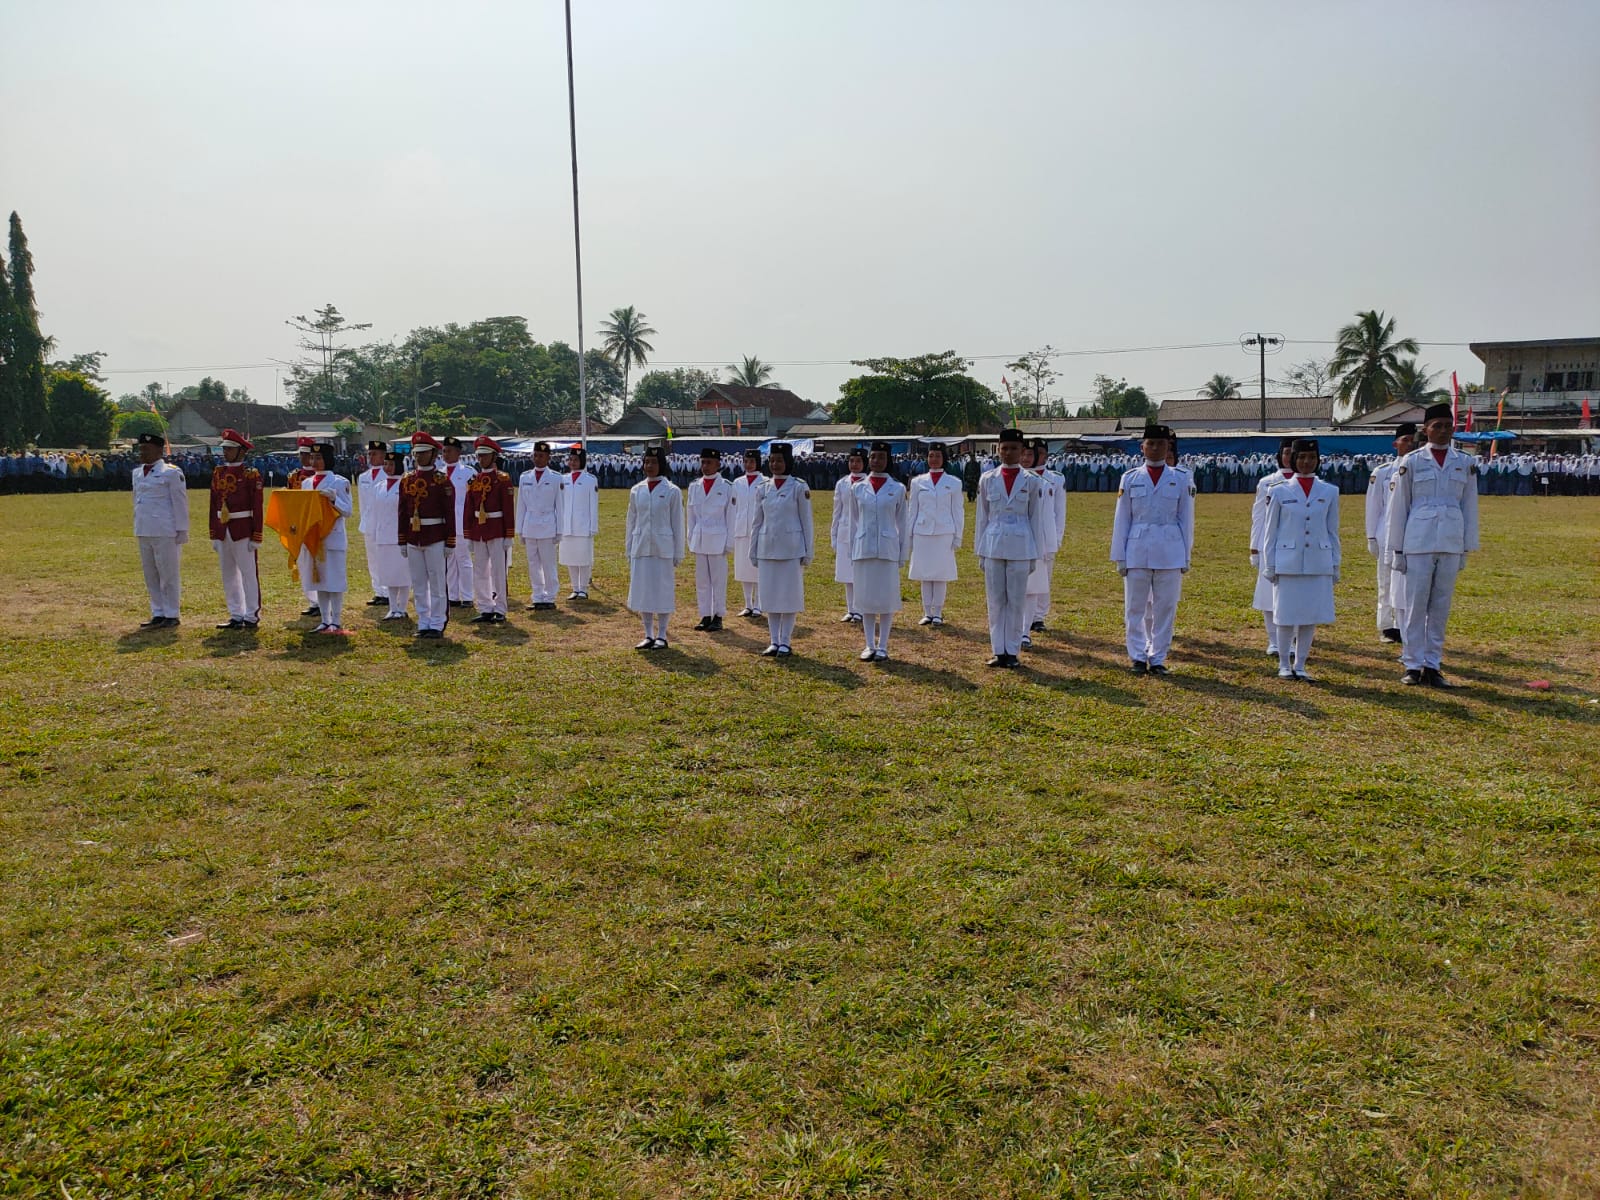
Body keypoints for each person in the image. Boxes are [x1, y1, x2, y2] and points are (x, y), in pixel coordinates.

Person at [1387, 403, 1480, 688]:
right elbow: (1398, 507)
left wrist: (1466, 547)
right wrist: (1397, 549)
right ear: (1425, 430)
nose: (1442, 431)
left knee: (1440, 606)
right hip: (1418, 541)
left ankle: (1433, 664)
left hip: (1450, 540)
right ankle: (1413, 664)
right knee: (1415, 606)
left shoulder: (1464, 462)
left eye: (1447, 426)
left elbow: (1470, 505)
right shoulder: (1412, 461)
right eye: (1436, 426)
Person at [1110, 424, 1194, 675]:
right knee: (1134, 607)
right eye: (1151, 443)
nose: (1156, 448)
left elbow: (1186, 519)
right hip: (1137, 548)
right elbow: (1122, 518)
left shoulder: (1181, 478)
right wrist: (1120, 556)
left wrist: (1186, 556)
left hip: (1170, 549)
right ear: (1142, 447)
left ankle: (1157, 657)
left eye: (1161, 444)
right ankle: (1137, 655)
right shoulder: (1130, 477)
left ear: (1169, 447)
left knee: (1164, 608)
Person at [1261, 439, 1341, 681]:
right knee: (1285, 615)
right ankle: (1284, 663)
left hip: (1318, 560)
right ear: (1293, 459)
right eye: (1302, 457)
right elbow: (1270, 532)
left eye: (1312, 458)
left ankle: (1302, 664)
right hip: (1288, 560)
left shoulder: (1329, 491)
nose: (1307, 462)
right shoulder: (1278, 490)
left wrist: (1335, 564)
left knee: (1310, 615)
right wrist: (1269, 564)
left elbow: (1332, 530)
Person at [974, 428, 1046, 668]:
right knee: (995, 601)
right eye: (1004, 448)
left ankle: (1012, 651)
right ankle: (998, 650)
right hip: (993, 544)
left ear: (1023, 451)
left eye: (1014, 448)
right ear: (998, 449)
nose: (1008, 453)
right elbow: (982, 517)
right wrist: (980, 551)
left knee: (1016, 600)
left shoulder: (1032, 481)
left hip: (1021, 546)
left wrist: (1036, 554)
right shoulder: (987, 479)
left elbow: (1036, 518)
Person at [844, 442, 910, 662]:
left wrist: (902, 554)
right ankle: (869, 644)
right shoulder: (858, 487)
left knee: (886, 598)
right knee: (865, 598)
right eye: (873, 457)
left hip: (887, 549)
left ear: (888, 459)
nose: (876, 461)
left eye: (881, 457)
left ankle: (883, 645)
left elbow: (903, 523)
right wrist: (853, 548)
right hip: (864, 548)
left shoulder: (898, 489)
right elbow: (854, 522)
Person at [748, 442, 814, 657]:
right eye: (772, 460)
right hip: (767, 548)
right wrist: (753, 549)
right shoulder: (763, 488)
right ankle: (774, 640)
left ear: (788, 462)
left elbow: (807, 522)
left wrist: (808, 551)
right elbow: (757, 522)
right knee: (770, 596)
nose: (775, 464)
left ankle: (786, 640)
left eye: (780, 460)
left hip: (791, 549)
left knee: (789, 596)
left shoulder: (798, 487)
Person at [625, 445, 686, 649]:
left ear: (662, 464)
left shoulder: (672, 491)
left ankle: (662, 634)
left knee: (662, 590)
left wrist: (678, 552)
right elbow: (631, 521)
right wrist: (629, 547)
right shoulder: (637, 490)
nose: (649, 466)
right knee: (644, 591)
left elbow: (677, 523)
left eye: (654, 462)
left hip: (663, 547)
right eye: (646, 462)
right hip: (641, 546)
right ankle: (648, 633)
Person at [398, 431, 457, 638]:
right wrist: (402, 539)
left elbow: (450, 512)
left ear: (433, 454)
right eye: (416, 453)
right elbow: (402, 512)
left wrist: (450, 540)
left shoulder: (442, 480)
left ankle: (438, 622)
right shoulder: (407, 480)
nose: (418, 457)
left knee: (438, 581)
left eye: (423, 453)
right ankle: (423, 621)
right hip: (414, 536)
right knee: (418, 582)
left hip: (435, 535)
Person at [131, 432, 189, 629]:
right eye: (140, 449)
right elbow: (136, 501)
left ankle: (172, 613)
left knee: (168, 573)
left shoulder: (171, 472)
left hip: (165, 530)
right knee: (151, 574)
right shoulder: (137, 473)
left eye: (146, 449)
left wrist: (182, 530)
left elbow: (179, 503)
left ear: (158, 450)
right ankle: (158, 611)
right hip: (144, 528)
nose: (142, 452)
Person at [1365, 422, 1416, 644]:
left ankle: (1403, 624)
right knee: (1385, 583)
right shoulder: (1383, 472)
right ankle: (1386, 625)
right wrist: (1371, 536)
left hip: (1413, 534)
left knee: (1408, 584)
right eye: (1405, 440)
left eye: (1413, 440)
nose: (1410, 444)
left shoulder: (1420, 469)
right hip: (1386, 535)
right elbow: (1373, 506)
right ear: (1396, 443)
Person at [207, 427, 263, 631]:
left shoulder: (250, 474)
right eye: (225, 449)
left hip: (243, 528)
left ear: (241, 451)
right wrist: (213, 533)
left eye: (230, 449)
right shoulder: (218, 473)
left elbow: (257, 506)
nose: (225, 452)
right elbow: (213, 504)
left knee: (248, 573)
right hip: (223, 529)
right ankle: (235, 613)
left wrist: (257, 534)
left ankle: (252, 614)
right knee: (228, 573)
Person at [1249, 438, 1297, 656]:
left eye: (1293, 453)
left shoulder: (1306, 483)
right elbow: (1258, 516)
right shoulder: (1267, 482)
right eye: (1286, 452)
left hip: (1296, 544)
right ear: (1280, 455)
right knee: (1268, 595)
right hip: (1269, 543)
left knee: (1295, 594)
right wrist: (1254, 547)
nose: (1289, 457)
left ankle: (1293, 639)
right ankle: (1274, 641)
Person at [907, 442, 964, 627]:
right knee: (924, 573)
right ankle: (926, 612)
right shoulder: (917, 482)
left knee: (940, 574)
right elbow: (912, 510)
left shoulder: (953, 483)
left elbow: (958, 511)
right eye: (931, 456)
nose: (934, 459)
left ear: (944, 459)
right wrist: (909, 534)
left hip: (944, 532)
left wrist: (958, 535)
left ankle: (937, 612)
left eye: (938, 456)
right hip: (922, 531)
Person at [300, 442, 353, 633]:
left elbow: (348, 511)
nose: (315, 462)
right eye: (312, 458)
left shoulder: (339, 482)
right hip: (314, 537)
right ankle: (324, 619)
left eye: (319, 458)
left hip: (333, 536)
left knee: (335, 580)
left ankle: (336, 620)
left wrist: (333, 500)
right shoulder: (306, 483)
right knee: (320, 581)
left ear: (328, 460)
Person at [463, 436, 514, 624]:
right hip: (479, 529)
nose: (481, 459)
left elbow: (508, 508)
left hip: (496, 527)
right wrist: (468, 533)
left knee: (498, 570)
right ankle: (485, 606)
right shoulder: (474, 480)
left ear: (494, 456)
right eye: (479, 456)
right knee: (480, 570)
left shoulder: (502, 479)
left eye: (485, 455)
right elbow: (468, 508)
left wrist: (509, 534)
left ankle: (500, 607)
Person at [685, 445, 734, 631]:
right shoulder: (694, 486)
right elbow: (691, 515)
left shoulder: (727, 487)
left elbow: (731, 516)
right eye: (703, 462)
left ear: (718, 464)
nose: (705, 466)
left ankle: (718, 615)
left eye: (709, 462)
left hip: (718, 539)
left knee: (718, 580)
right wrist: (691, 538)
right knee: (702, 580)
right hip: (700, 538)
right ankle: (705, 614)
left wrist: (729, 544)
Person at [1023, 439, 1067, 642]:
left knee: (1044, 579)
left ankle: (1039, 616)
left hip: (1046, 535)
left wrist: (1056, 539)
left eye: (1039, 453)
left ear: (1045, 455)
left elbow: (1059, 513)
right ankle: (1026, 618)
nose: (1034, 457)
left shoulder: (1055, 479)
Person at [515, 440, 563, 610]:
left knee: (548, 563)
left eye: (541, 455)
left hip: (548, 524)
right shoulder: (524, 477)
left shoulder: (556, 478)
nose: (537, 459)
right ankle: (537, 596)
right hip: (530, 524)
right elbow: (521, 504)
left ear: (548, 457)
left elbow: (560, 506)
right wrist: (519, 529)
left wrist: (560, 531)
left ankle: (549, 596)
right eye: (535, 455)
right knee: (533, 563)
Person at [366, 451, 411, 620]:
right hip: (383, 536)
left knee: (403, 573)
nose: (388, 468)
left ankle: (403, 607)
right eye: (386, 464)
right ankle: (393, 608)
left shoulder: (406, 485)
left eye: (391, 464)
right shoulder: (379, 486)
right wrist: (375, 532)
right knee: (388, 574)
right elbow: (375, 512)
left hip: (400, 536)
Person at [830, 447, 867, 625]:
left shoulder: (868, 482)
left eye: (858, 461)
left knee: (860, 574)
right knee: (846, 575)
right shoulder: (842, 483)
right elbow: (837, 512)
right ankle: (850, 609)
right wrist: (834, 535)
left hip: (862, 533)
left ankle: (860, 609)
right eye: (852, 461)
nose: (854, 464)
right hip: (844, 532)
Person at [440, 436, 478, 608]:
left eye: (449, 451)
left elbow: (474, 500)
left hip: (462, 522)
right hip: (444, 524)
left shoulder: (468, 473)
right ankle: (453, 596)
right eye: (444, 451)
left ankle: (468, 595)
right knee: (449, 561)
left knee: (463, 559)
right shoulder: (439, 473)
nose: (445, 454)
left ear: (458, 452)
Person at [558, 446, 600, 599]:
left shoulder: (590, 480)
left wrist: (593, 527)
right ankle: (575, 587)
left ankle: (583, 588)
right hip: (567, 525)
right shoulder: (563, 479)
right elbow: (560, 503)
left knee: (584, 558)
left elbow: (593, 504)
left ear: (582, 461)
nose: (573, 462)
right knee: (570, 557)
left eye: (576, 460)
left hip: (583, 525)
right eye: (571, 460)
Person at [287, 437, 320, 617]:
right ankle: (312, 600)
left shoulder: (318, 476)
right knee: (303, 563)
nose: (303, 457)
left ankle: (321, 600)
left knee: (318, 563)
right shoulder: (293, 476)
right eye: (301, 454)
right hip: (298, 525)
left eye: (306, 454)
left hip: (315, 524)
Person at [730, 448, 764, 616]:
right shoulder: (737, 482)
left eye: (751, 461)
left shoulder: (765, 482)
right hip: (741, 529)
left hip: (758, 530)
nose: (748, 464)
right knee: (743, 568)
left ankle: (758, 604)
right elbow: (733, 507)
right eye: (746, 461)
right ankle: (748, 604)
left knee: (757, 569)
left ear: (758, 462)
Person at [356, 440, 389, 607]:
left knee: (385, 558)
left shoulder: (389, 475)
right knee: (373, 559)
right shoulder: (363, 477)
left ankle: (388, 592)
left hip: (384, 523)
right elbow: (362, 502)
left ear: (384, 455)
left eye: (374, 453)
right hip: (369, 522)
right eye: (369, 454)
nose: (371, 457)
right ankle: (378, 591)